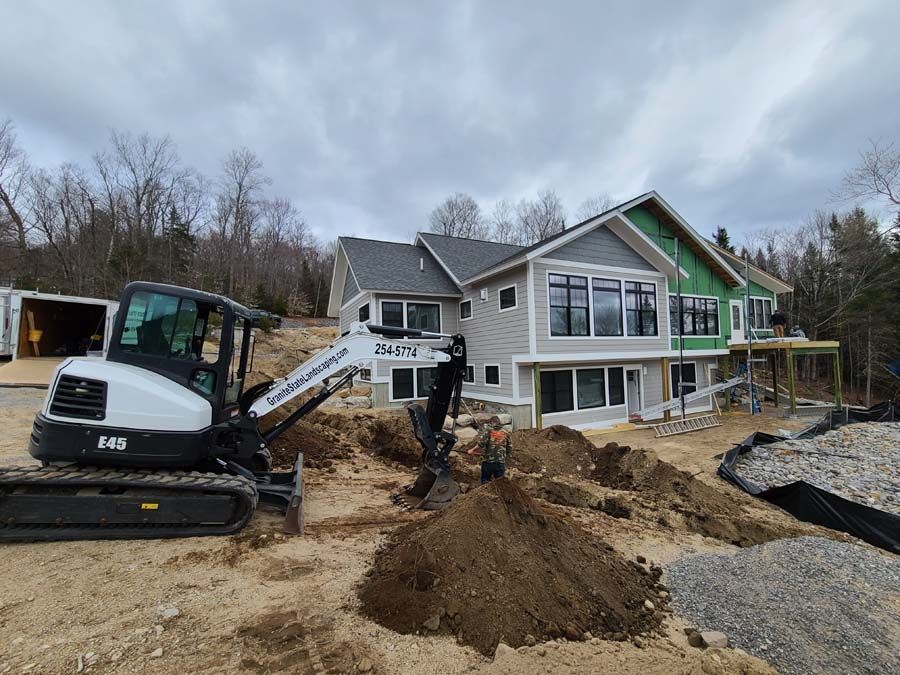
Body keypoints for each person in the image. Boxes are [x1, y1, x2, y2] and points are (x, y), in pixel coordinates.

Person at [466, 416, 511, 484]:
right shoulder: (506, 433)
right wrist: (503, 456)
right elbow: (509, 448)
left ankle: (485, 493)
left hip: (489, 462)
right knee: (500, 484)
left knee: (485, 481)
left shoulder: (489, 432)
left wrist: (472, 450)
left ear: (492, 423)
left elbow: (481, 444)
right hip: (500, 463)